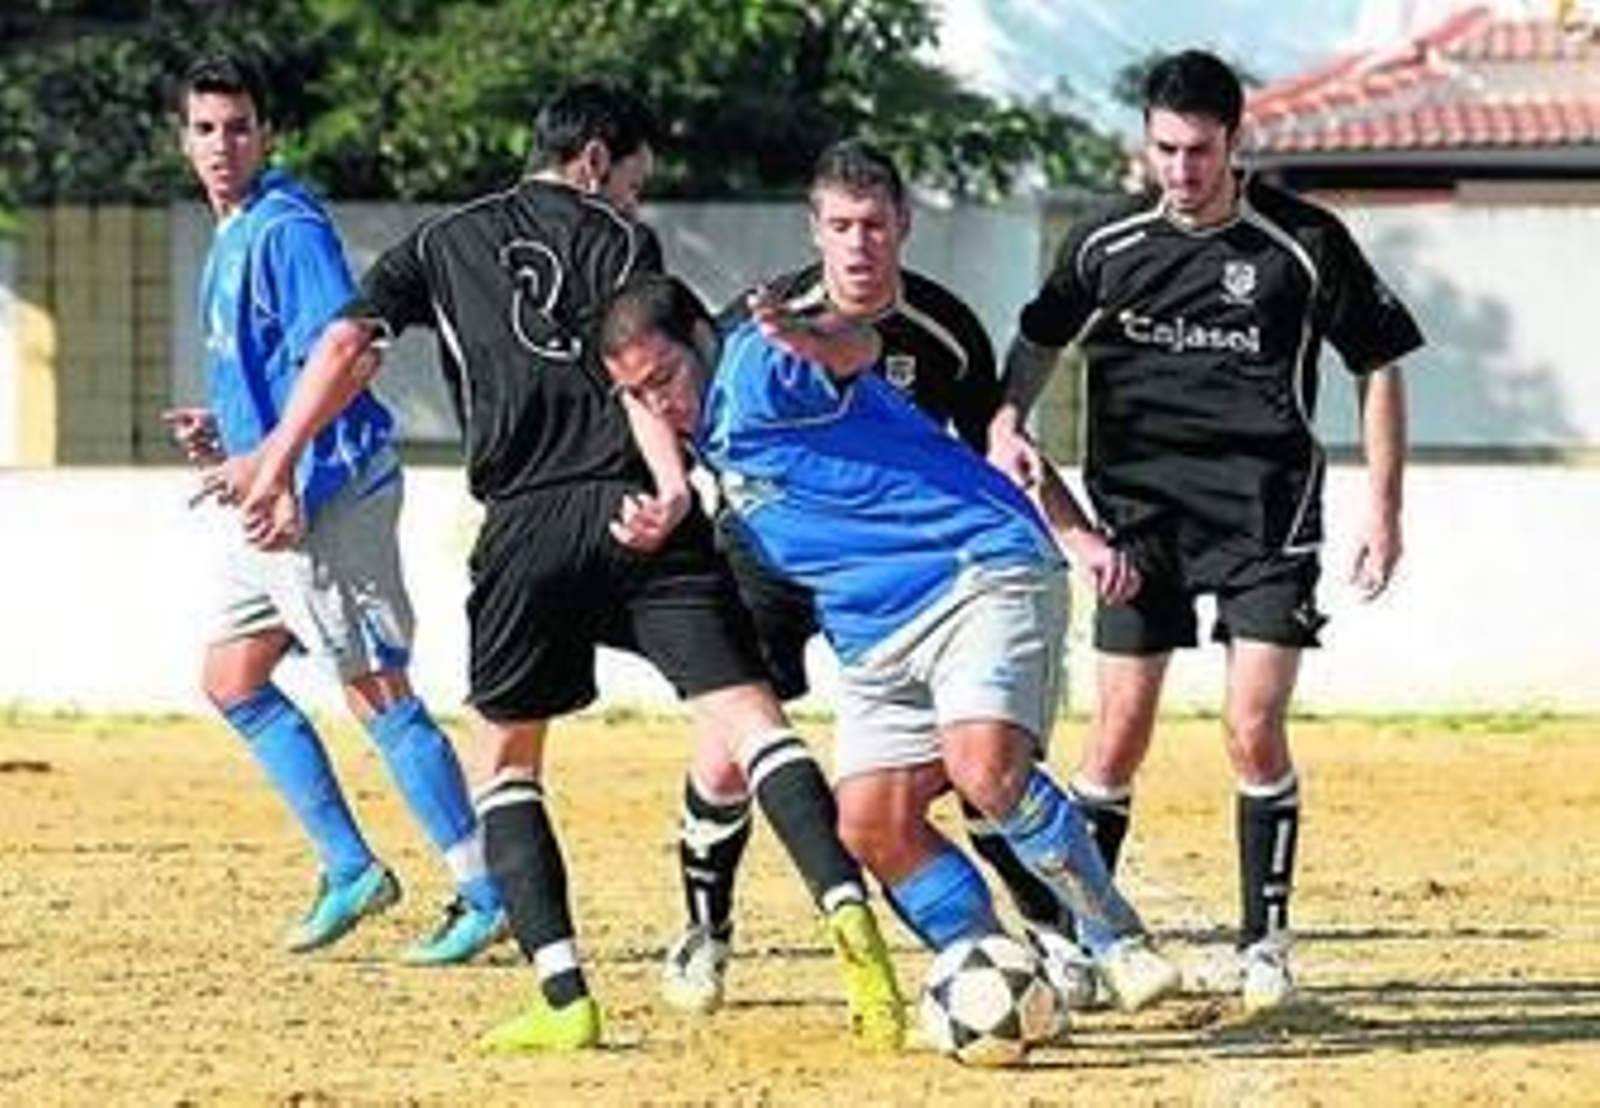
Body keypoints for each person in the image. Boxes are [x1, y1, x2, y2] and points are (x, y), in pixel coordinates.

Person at [228, 78, 905, 1055]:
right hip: (636, 512)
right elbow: (638, 375)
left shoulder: (438, 241)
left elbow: (343, 343)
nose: (634, 199)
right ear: (594, 162)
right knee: (756, 726)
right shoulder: (622, 243)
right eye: (634, 179)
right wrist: (673, 493)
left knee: (508, 764)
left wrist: (276, 459)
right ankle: (849, 919)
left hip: (524, 526)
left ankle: (563, 996)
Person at [601, 273, 1183, 1018]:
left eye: (665, 379)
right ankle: (994, 977)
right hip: (871, 627)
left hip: (971, 569)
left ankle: (1115, 939)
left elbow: (858, 345)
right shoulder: (691, 403)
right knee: (872, 826)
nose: (658, 403)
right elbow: (646, 395)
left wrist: (812, 339)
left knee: (983, 767)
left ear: (702, 340)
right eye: (639, 392)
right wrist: (672, 487)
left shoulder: (759, 363)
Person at [986, 49, 1422, 1012]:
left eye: (1198, 150)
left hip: (1267, 517)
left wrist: (1385, 508)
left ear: (1234, 142)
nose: (1180, 170)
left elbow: (1379, 362)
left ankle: (1265, 944)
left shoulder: (1302, 241)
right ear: (1146, 144)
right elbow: (1040, 335)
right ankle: (1086, 942)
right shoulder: (1106, 241)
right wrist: (1009, 416)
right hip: (1138, 522)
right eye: (1164, 150)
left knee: (1252, 727)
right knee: (1115, 740)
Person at [164, 53, 506, 965]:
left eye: (240, 127)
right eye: (205, 128)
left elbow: (353, 356)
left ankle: (485, 891)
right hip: (272, 490)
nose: (222, 145)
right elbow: (288, 370)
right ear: (183, 139)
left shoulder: (286, 229)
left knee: (376, 688)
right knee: (233, 678)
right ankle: (352, 869)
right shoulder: (233, 232)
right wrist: (233, 438)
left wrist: (279, 470)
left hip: (324, 493)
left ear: (268, 134)